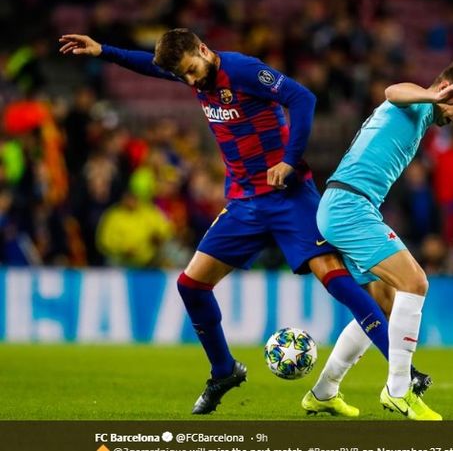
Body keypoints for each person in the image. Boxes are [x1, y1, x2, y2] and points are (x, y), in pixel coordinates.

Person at [59, 29, 429, 415]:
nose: (190, 80)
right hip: (244, 203)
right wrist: (102, 51)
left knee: (341, 285)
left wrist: (289, 158)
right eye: (182, 75)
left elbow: (303, 98)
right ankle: (224, 370)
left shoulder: (242, 70)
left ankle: (404, 374)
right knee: (191, 286)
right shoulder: (193, 73)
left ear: (204, 50)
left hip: (290, 197)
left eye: (190, 70)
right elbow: (147, 66)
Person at [306, 59, 453, 420]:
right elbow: (393, 92)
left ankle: (324, 391)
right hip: (348, 206)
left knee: (382, 308)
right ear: (447, 88)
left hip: (351, 205)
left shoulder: (423, 116)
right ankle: (399, 390)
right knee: (415, 282)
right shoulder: (418, 101)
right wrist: (436, 94)